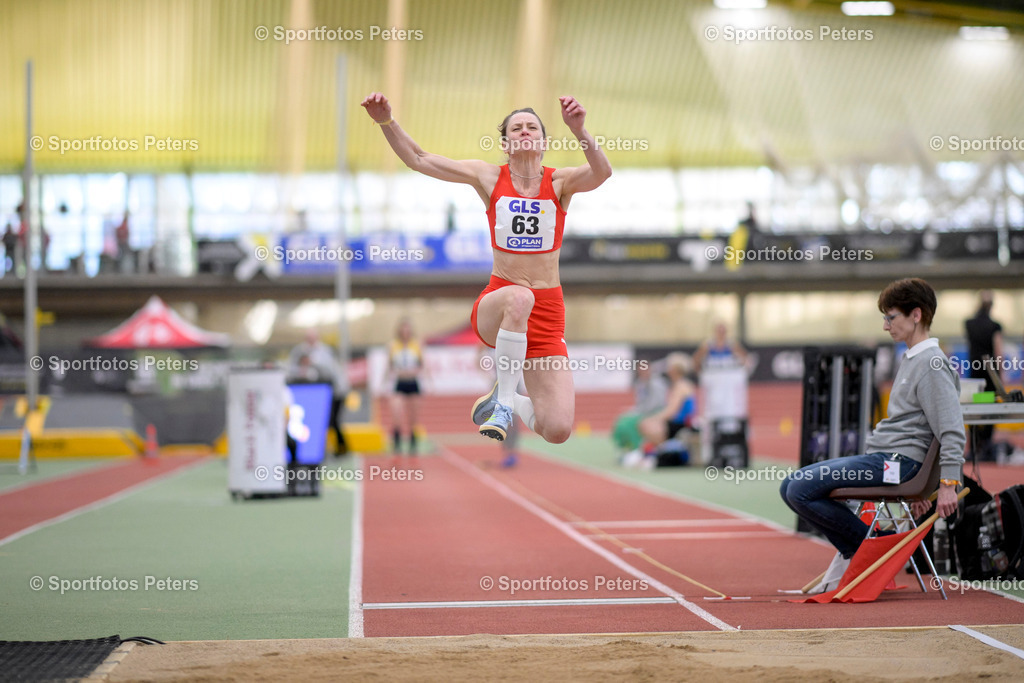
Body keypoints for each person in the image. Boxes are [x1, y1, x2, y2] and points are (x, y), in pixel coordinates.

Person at [361, 92, 612, 444]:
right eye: (516, 129)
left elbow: (602, 172)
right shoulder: (490, 178)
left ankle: (510, 399)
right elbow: (419, 159)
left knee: (556, 429)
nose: (524, 131)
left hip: (548, 313)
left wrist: (580, 129)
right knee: (520, 297)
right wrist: (386, 121)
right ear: (506, 144)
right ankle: (505, 403)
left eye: (531, 127)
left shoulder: (560, 183)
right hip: (499, 303)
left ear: (543, 141)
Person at [780, 278, 965, 593]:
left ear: (916, 315)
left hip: (896, 464)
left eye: (891, 317)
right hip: (887, 460)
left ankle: (869, 548)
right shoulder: (913, 359)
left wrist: (945, 484)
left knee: (799, 488)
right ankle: (865, 548)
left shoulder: (932, 364)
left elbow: (951, 428)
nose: (885, 326)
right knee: (790, 486)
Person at [287, 330, 349, 457]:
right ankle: (332, 448)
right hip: (319, 393)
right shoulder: (300, 351)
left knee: (333, 420)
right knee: (327, 422)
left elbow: (332, 373)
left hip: (335, 392)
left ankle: (342, 447)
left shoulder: (324, 352)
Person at [964, 290, 1003, 460]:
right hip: (989, 372)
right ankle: (986, 445)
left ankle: (973, 446)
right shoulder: (995, 326)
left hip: (974, 372)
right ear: (991, 306)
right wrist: (1000, 375)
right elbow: (998, 350)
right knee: (990, 409)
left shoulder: (969, 324)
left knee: (973, 409)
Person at [612, 362, 670, 455]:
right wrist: (633, 410)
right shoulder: (640, 383)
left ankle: (637, 448)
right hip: (643, 411)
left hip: (654, 412)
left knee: (631, 423)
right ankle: (628, 447)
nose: (642, 371)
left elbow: (657, 402)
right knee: (622, 420)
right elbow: (640, 402)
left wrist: (640, 411)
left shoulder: (657, 383)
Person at [387, 318, 423, 455]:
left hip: (413, 383)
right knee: (396, 414)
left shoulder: (416, 344)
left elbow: (422, 364)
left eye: (408, 329)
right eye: (403, 329)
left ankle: (413, 442)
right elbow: (389, 366)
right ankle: (397, 441)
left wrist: (417, 373)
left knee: (413, 417)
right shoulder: (393, 345)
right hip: (399, 383)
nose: (405, 332)